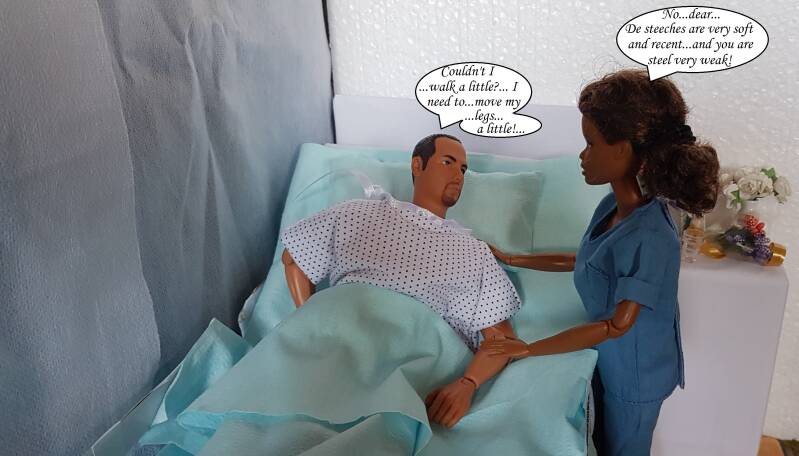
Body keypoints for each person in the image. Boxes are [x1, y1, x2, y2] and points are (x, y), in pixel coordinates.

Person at [484, 69, 719, 455]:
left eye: (590, 144)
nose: (582, 156)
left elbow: (615, 326)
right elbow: (588, 259)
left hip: (635, 376)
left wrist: (529, 349)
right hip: (609, 362)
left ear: (622, 149)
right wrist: (512, 258)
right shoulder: (613, 207)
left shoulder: (652, 236)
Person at [280, 133, 522, 429]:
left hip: (414, 361)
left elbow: (501, 340)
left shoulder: (474, 252)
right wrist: (310, 322)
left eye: (463, 169)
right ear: (418, 165)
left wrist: (467, 384)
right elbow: (294, 257)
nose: (458, 175)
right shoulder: (359, 212)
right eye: (448, 162)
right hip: (340, 340)